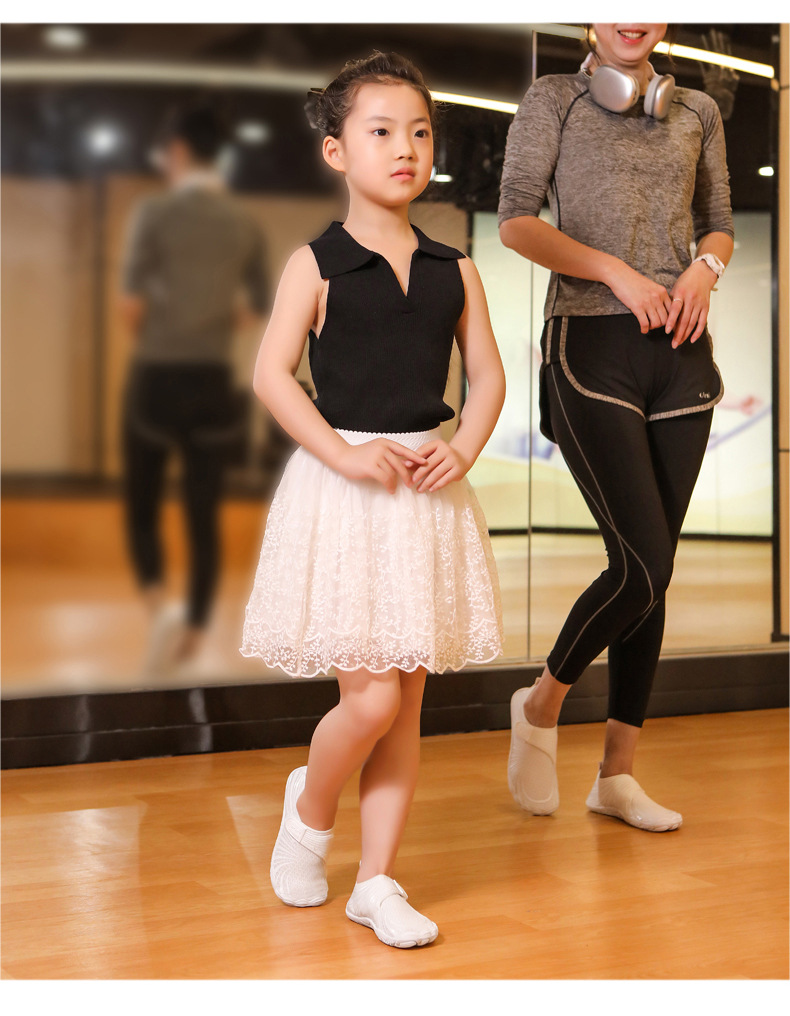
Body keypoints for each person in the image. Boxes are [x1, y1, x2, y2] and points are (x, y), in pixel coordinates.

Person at [240, 51, 505, 947]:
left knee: (405, 711)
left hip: (423, 497)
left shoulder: (454, 268)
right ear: (336, 151)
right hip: (346, 496)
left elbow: (487, 377)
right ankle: (309, 812)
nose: (405, 148)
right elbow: (272, 376)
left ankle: (377, 881)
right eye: (381, 131)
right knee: (370, 702)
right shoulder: (314, 264)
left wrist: (461, 449)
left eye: (419, 132)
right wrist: (343, 456)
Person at [498, 24, 734, 831]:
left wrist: (705, 268)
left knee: (653, 570)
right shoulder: (553, 99)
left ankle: (616, 776)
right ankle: (540, 703)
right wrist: (617, 273)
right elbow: (515, 221)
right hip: (591, 343)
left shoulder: (696, 108)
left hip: (681, 352)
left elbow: (718, 219)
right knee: (641, 565)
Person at [120, 100, 268, 676]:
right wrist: (212, 321)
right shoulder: (244, 223)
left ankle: (161, 606)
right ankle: (194, 630)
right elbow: (257, 305)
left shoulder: (154, 214)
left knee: (142, 505)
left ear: (178, 151)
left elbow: (131, 307)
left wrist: (165, 324)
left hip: (156, 377)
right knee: (203, 514)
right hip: (212, 382)